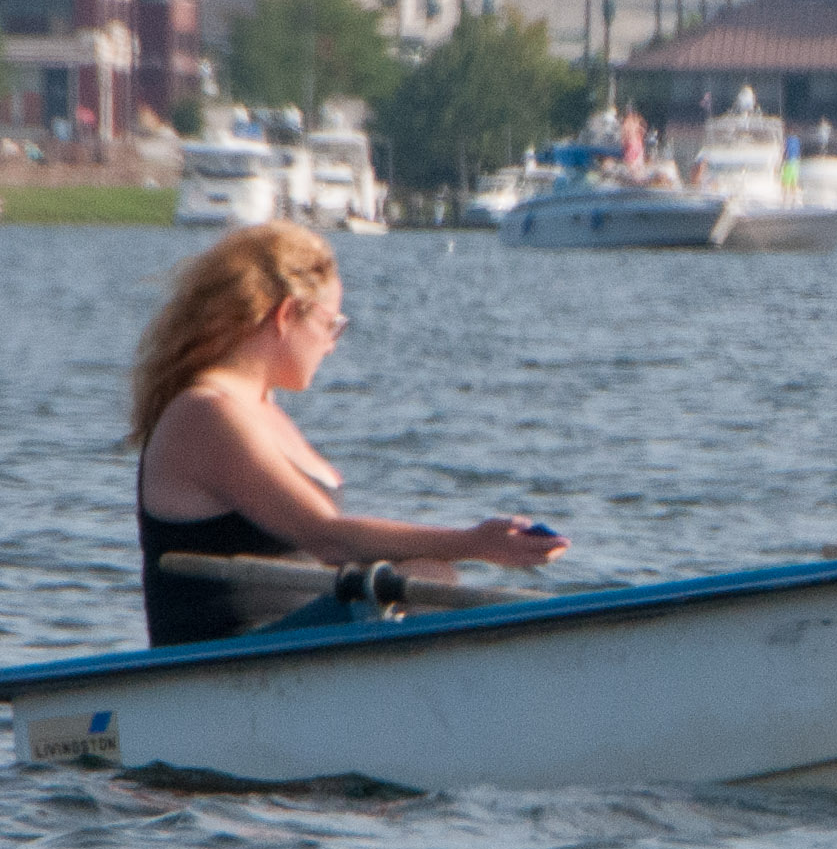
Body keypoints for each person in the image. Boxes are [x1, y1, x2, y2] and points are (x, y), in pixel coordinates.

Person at [129, 223, 567, 646]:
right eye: (331, 324)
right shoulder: (206, 413)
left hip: (291, 645)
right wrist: (476, 543)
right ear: (286, 315)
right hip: (224, 658)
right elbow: (327, 537)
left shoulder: (262, 409)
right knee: (425, 580)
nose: (332, 344)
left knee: (427, 574)